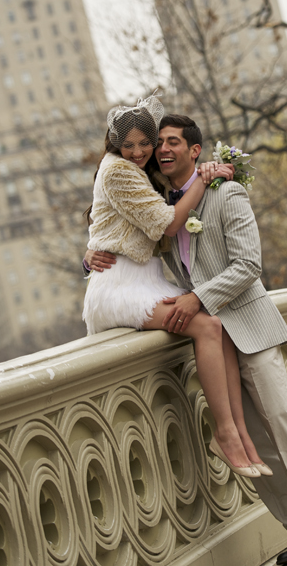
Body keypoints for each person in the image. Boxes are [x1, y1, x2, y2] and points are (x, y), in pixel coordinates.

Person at [86, 112, 287, 566]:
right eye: (156, 143)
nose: (162, 150)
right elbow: (123, 235)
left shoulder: (226, 192)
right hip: (213, 340)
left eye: (171, 142)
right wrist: (89, 257)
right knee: (253, 441)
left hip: (248, 326)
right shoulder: (160, 200)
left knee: (280, 421)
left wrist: (197, 299)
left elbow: (248, 267)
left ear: (194, 150)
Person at [83, 97, 267, 478]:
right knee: (206, 325)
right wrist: (203, 179)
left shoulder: (143, 171)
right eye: (127, 145)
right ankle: (227, 434)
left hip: (145, 278)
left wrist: (206, 171)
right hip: (120, 285)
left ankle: (240, 435)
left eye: (143, 144)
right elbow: (168, 224)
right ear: (114, 142)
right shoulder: (117, 170)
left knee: (217, 326)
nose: (137, 152)